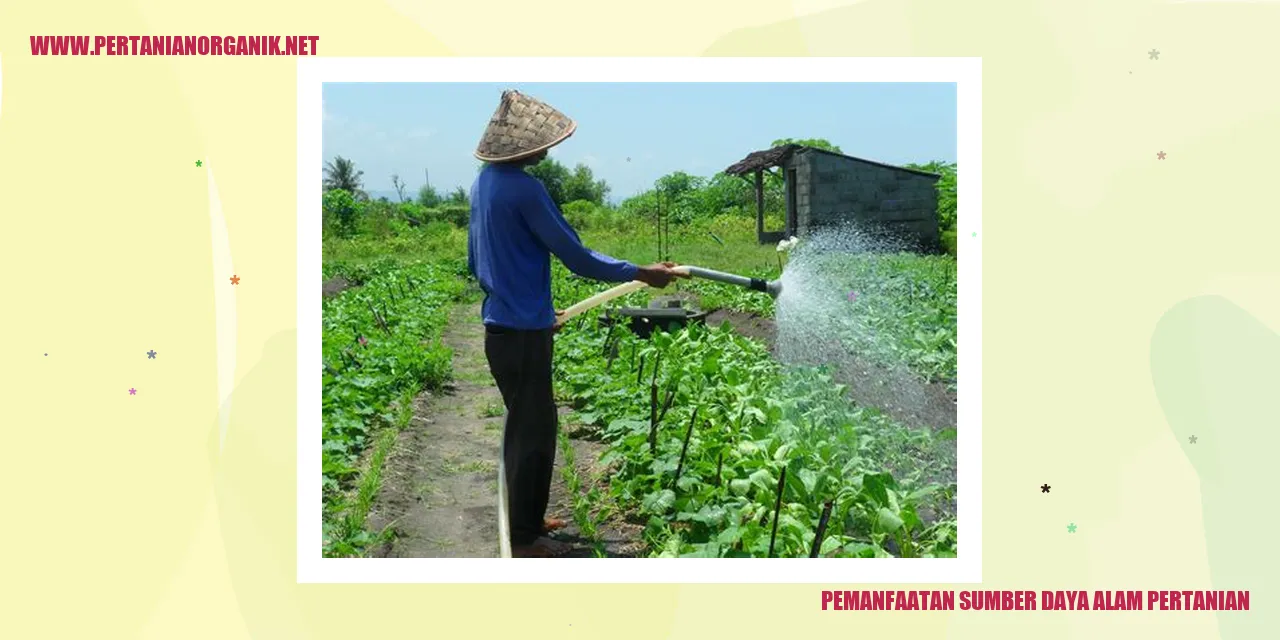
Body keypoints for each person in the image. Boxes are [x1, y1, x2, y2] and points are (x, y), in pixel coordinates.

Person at [468, 90, 686, 558]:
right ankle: (525, 538)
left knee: (524, 428)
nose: (549, 149)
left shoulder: (484, 183)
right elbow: (577, 257)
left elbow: (477, 259)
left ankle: (526, 517)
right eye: (543, 143)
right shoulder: (525, 188)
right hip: (522, 335)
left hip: (502, 329)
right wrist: (640, 272)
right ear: (521, 147)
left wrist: (535, 312)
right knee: (536, 432)